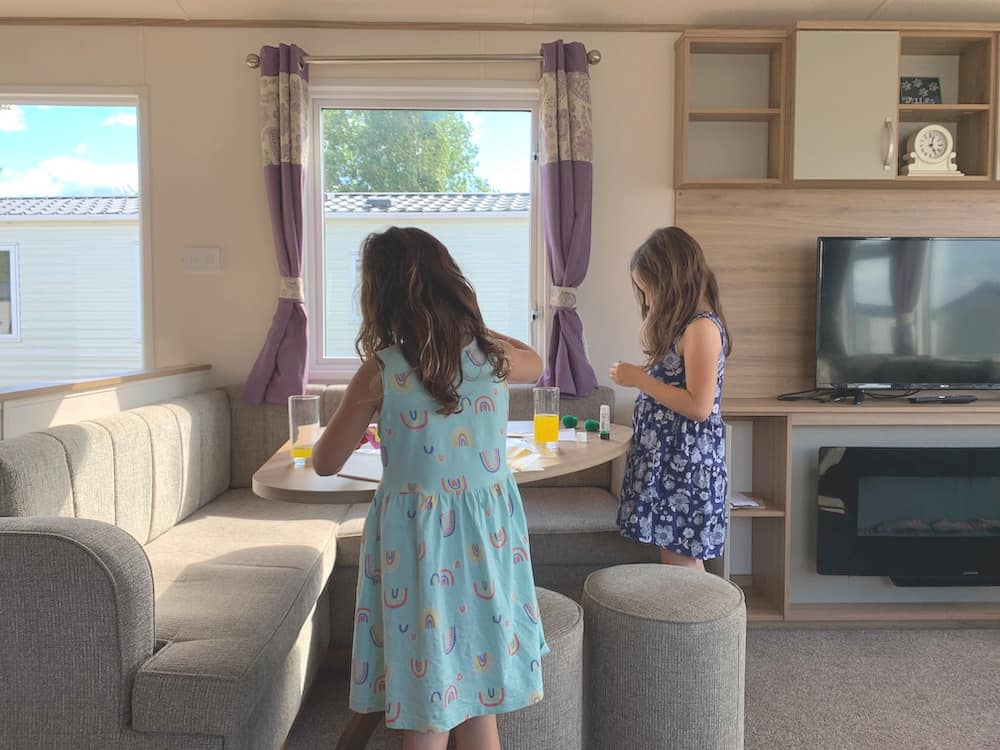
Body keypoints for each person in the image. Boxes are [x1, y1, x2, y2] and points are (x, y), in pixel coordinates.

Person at [312, 226, 548, 750]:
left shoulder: (382, 371)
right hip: (486, 542)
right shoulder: (497, 359)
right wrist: (475, 329)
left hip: (417, 546)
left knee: (428, 692)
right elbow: (539, 358)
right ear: (451, 284)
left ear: (382, 297)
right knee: (477, 694)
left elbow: (326, 461)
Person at [609, 226, 732, 570]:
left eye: (649, 290)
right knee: (674, 558)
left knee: (682, 562)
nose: (647, 301)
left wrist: (640, 379)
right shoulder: (686, 328)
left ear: (672, 281)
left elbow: (699, 406)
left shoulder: (702, 329)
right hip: (670, 460)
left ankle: (707, 623)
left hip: (686, 464)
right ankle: (696, 622)